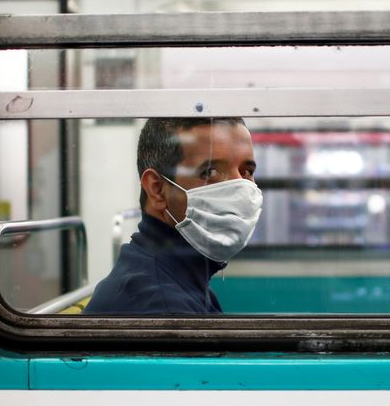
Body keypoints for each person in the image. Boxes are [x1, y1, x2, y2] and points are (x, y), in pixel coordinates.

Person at [83, 117, 263, 315]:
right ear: (157, 189)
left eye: (246, 171)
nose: (240, 189)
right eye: (210, 171)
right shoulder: (162, 310)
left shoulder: (182, 280)